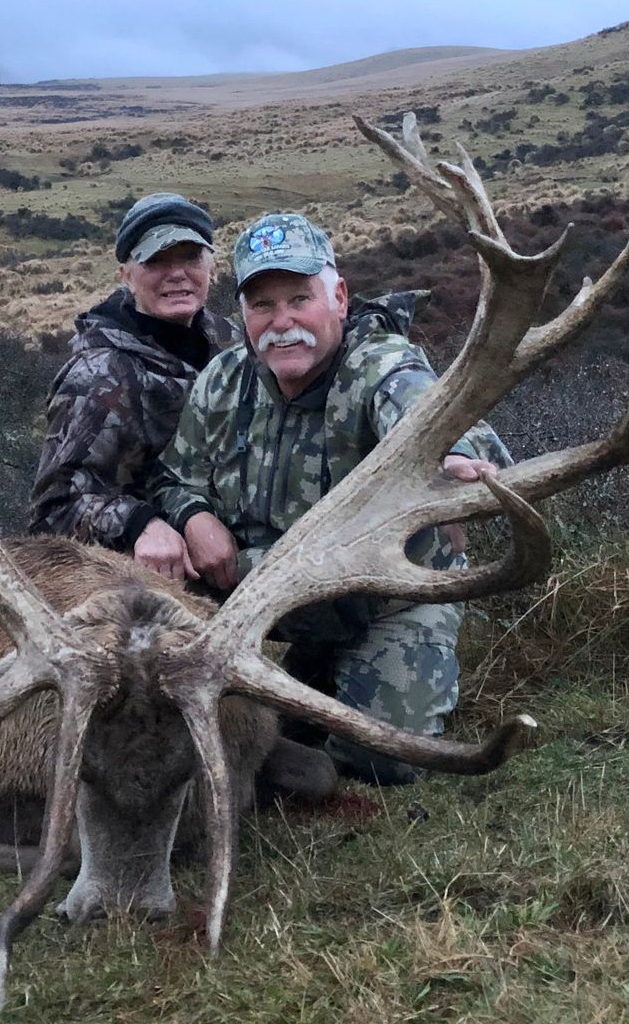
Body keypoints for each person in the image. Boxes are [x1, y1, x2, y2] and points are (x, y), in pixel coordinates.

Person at [150, 212, 514, 786]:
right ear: (243, 314)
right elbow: (174, 479)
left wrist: (448, 455)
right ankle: (303, 679)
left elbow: (425, 408)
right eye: (262, 306)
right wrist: (191, 516)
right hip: (259, 599)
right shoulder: (222, 380)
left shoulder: (379, 366)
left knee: (386, 760)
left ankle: (315, 683)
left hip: (383, 599)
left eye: (300, 298)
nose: (282, 322)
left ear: (339, 297)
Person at [28, 192, 231, 580]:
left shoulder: (231, 342)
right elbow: (53, 512)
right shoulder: (98, 375)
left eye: (190, 258)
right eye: (155, 261)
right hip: (151, 578)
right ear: (126, 276)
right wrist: (140, 524)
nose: (176, 274)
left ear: (211, 267)